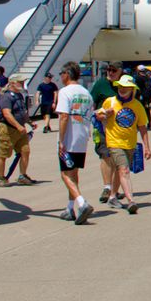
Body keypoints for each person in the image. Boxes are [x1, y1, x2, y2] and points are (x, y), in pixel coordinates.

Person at [96, 74, 151, 214]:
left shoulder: (138, 106)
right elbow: (98, 115)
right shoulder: (110, 101)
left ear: (132, 89)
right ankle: (131, 200)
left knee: (119, 171)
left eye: (126, 87)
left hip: (130, 144)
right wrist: (105, 115)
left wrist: (147, 147)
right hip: (113, 142)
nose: (122, 89)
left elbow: (142, 127)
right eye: (120, 86)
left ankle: (113, 196)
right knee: (124, 170)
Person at [55, 61, 95, 224]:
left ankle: (81, 203)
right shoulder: (86, 93)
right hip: (82, 138)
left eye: (61, 74)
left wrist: (61, 140)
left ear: (67, 74)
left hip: (70, 138)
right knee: (74, 173)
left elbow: (64, 116)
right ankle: (69, 208)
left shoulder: (65, 92)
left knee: (65, 174)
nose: (60, 77)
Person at [89, 62, 123, 203]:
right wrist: (97, 115)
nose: (110, 72)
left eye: (113, 70)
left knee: (118, 158)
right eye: (108, 70)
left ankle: (115, 189)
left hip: (120, 128)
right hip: (102, 127)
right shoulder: (100, 84)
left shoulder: (124, 84)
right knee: (105, 155)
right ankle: (107, 187)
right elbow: (91, 103)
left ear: (120, 71)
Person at [0, 74, 36, 187]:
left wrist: (30, 122)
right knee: (4, 154)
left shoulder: (19, 96)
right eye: (20, 82)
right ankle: (1, 178)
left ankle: (22, 176)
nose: (23, 84)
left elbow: (23, 112)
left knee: (25, 151)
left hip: (20, 129)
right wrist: (18, 126)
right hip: (8, 129)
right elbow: (7, 114)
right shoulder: (6, 97)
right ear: (13, 83)